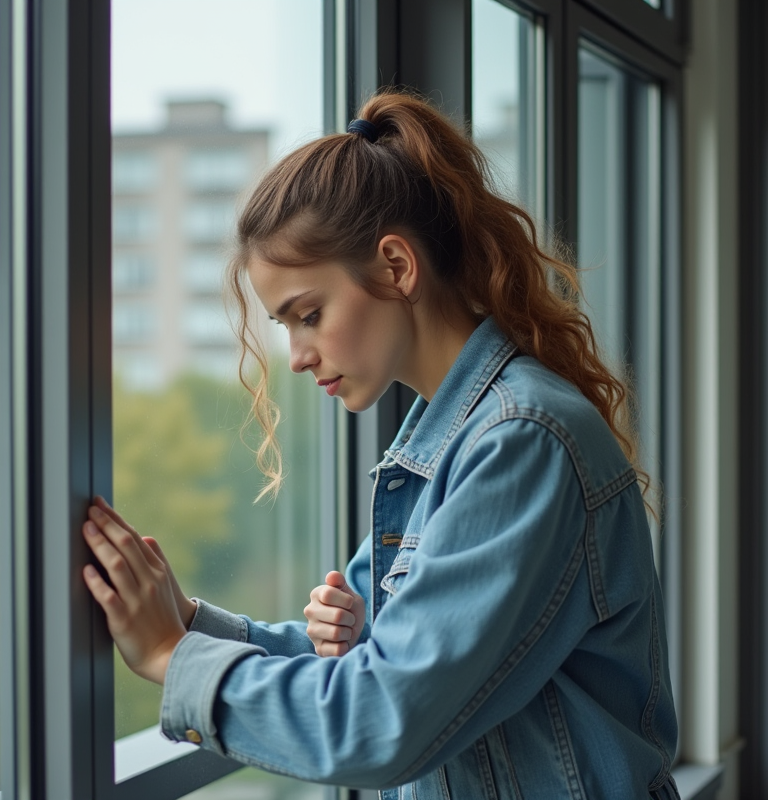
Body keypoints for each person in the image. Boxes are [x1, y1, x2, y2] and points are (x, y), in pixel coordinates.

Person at [81, 91, 678, 799]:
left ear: (396, 266)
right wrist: (188, 622)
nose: (296, 357)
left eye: (309, 314)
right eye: (286, 327)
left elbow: (379, 719)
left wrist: (169, 654)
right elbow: (362, 670)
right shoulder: (443, 445)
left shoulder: (521, 443)